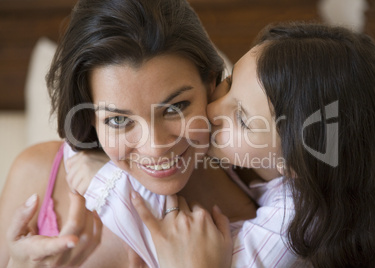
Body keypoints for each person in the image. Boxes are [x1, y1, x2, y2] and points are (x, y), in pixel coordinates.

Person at [0, 0, 255, 267]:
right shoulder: (38, 175)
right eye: (119, 119)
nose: (155, 147)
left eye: (175, 107)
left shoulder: (264, 201)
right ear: (89, 117)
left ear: (211, 83)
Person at [130, 22, 375, 267]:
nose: (212, 109)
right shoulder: (271, 167)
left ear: (295, 161)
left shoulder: (298, 220)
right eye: (230, 81)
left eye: (242, 119)